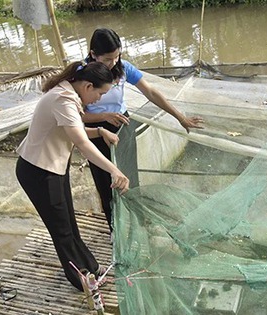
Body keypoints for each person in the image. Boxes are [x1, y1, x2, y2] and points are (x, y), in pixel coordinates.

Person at [15, 60, 130, 291]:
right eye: (100, 93)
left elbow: (72, 129)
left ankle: (91, 267)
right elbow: (81, 142)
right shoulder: (62, 99)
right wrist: (114, 170)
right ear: (88, 86)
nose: (99, 100)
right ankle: (82, 282)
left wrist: (99, 130)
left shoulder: (68, 94)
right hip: (38, 172)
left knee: (69, 223)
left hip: (53, 168)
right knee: (61, 230)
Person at [82, 28, 204, 232]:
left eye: (117, 56)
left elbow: (151, 92)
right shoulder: (82, 75)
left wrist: (180, 117)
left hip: (122, 126)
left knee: (129, 177)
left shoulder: (123, 68)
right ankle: (115, 230)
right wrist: (103, 117)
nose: (113, 63)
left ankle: (139, 223)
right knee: (106, 183)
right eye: (107, 59)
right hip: (96, 132)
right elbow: (75, 116)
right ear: (93, 55)